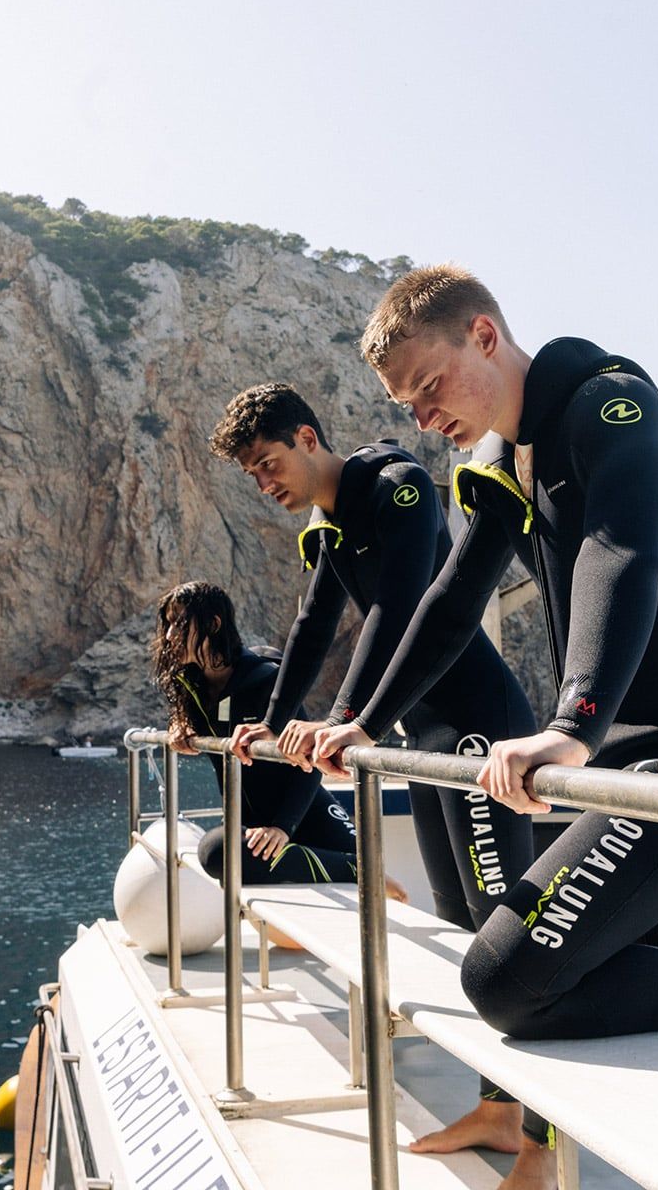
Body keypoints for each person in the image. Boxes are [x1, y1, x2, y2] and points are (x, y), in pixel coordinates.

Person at [311, 265, 658, 1190]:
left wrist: (572, 722)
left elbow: (624, 549)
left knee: (505, 979)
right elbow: (452, 606)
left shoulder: (610, 405)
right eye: (404, 404)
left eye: (431, 385)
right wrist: (361, 721)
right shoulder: (510, 461)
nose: (425, 416)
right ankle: (547, 1158)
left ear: (486, 337)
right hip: (629, 771)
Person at [209, 382, 549, 1157]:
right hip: (423, 741)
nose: (266, 484)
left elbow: (398, 611)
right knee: (465, 931)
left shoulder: (396, 490)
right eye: (252, 477)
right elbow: (313, 624)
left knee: (510, 942)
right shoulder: (334, 527)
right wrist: (269, 721)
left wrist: (342, 720)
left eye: (268, 464)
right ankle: (499, 1112)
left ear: (306, 436)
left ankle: (543, 1149)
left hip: (476, 736)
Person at [150, 580, 361, 887]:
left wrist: (281, 828)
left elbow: (308, 763)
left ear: (213, 624)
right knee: (219, 854)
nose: (169, 635)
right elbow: (195, 721)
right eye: (167, 625)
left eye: (179, 623)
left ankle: (361, 872)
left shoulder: (264, 680)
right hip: (252, 828)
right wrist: (177, 724)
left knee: (218, 851)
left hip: (301, 817)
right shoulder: (191, 687)